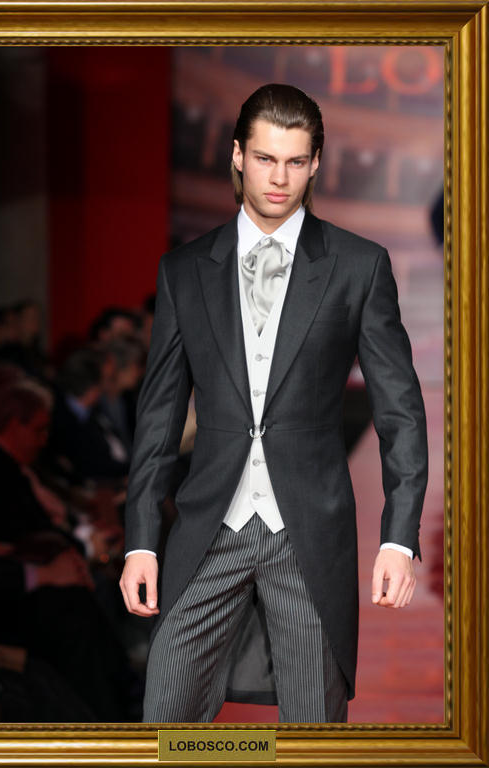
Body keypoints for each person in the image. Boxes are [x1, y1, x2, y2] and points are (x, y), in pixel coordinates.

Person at [119, 84, 428, 723]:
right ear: (237, 156)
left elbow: (400, 410)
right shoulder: (184, 271)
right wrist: (141, 542)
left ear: (315, 164)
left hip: (309, 533)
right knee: (168, 731)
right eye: (265, 159)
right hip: (209, 528)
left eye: (294, 161)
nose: (279, 178)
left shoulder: (358, 266)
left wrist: (399, 538)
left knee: (312, 736)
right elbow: (159, 417)